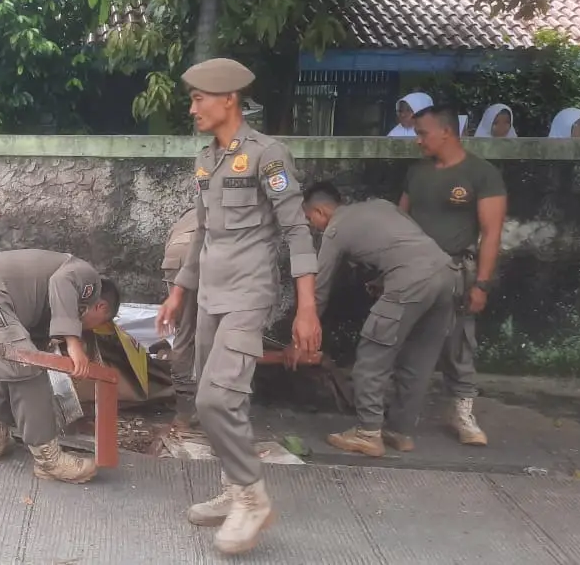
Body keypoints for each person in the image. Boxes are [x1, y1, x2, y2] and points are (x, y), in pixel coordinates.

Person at [156, 58, 321, 556]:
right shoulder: (207, 160)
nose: (193, 108)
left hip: (248, 296)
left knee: (214, 399)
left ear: (229, 99)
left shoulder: (268, 156)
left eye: (199, 98)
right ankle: (234, 491)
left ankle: (253, 496)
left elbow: (296, 229)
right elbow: (202, 234)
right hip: (209, 297)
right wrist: (180, 291)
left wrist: (306, 308)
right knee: (224, 398)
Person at [0, 249, 119, 483]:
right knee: (27, 372)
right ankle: (50, 461)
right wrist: (74, 343)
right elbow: (63, 281)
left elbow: (34, 340)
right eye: (98, 324)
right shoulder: (88, 277)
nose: (89, 329)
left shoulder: (35, 299)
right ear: (100, 308)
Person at [303, 182, 457, 457]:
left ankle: (368, 433)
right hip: (448, 274)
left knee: (372, 356)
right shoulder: (382, 205)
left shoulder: (336, 229)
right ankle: (400, 431)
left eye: (309, 218)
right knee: (417, 361)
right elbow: (408, 242)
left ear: (320, 210)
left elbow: (320, 286)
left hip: (411, 281)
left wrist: (304, 327)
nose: (312, 225)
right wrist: (382, 279)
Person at [399, 104, 507, 447]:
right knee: (404, 343)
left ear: (446, 131)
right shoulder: (417, 174)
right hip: (413, 273)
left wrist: (482, 284)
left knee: (458, 345)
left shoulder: (482, 174)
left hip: (457, 272)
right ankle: (400, 415)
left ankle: (462, 412)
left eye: (422, 133)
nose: (418, 141)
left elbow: (491, 233)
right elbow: (397, 224)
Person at [160, 208, 199, 419]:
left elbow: (170, 242)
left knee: (184, 332)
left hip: (175, 255)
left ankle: (184, 406)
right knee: (210, 329)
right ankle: (206, 405)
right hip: (205, 252)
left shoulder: (186, 215)